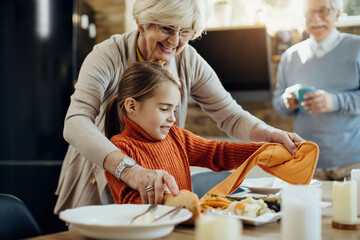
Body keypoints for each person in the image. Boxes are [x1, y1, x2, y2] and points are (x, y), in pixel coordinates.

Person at [55, 0, 303, 214]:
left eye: (186, 31)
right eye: (167, 28)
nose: (175, 41)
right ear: (142, 22)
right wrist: (129, 170)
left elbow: (230, 115)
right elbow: (76, 122)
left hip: (156, 184)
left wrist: (270, 135)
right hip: (98, 170)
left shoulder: (188, 59)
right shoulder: (108, 55)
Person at [104, 61, 265, 204]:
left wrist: (264, 150)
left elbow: (218, 153)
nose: (172, 118)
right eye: (164, 109)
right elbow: (131, 203)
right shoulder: (118, 150)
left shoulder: (177, 136)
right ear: (132, 106)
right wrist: (180, 204)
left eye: (174, 110)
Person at [273, 0, 360, 180]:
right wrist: (286, 101)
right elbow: (278, 106)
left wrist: (334, 101)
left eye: (323, 11)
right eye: (309, 13)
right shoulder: (290, 56)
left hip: (353, 163)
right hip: (307, 164)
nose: (315, 19)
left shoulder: (357, 48)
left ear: (337, 14)